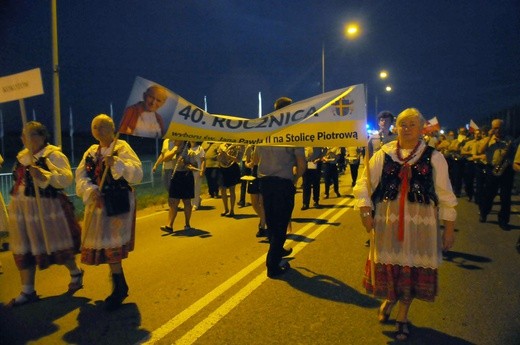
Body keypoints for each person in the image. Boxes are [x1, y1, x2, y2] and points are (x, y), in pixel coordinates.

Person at [353, 108, 457, 341]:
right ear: (396, 128)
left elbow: (446, 194)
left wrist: (448, 229)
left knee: (411, 268)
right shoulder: (384, 153)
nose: (407, 129)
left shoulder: (434, 157)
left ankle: (402, 315)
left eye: (412, 124)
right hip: (388, 219)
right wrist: (364, 210)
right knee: (393, 267)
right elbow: (365, 183)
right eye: (402, 124)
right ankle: (390, 300)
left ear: (421, 129)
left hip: (421, 223)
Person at [7, 121, 83, 307]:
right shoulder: (22, 157)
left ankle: (75, 272)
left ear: (41, 137)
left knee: (56, 245)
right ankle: (27, 290)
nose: (25, 139)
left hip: (47, 209)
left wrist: (43, 175)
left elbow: (66, 178)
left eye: (30, 134)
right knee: (24, 247)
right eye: (24, 135)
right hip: (22, 210)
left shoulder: (52, 155)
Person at [76, 114, 143, 311]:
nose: (97, 130)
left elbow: (137, 174)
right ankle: (119, 285)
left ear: (111, 128)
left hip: (117, 204)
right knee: (106, 247)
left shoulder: (121, 148)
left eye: (102, 126)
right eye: (94, 127)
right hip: (97, 205)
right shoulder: (91, 152)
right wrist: (90, 190)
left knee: (113, 246)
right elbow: (81, 175)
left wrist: (118, 165)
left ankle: (119, 287)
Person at [254, 96, 306, 278]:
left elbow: (254, 159)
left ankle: (277, 253)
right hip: (283, 183)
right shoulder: (293, 131)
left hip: (265, 184)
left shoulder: (264, 131)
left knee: (272, 222)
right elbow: (302, 164)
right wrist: (295, 178)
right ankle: (273, 266)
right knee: (281, 224)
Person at [477, 119, 516, 230]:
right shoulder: (489, 139)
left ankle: (503, 220)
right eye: (494, 127)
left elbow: (513, 154)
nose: (496, 130)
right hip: (492, 169)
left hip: (506, 170)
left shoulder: (509, 140)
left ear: (503, 127)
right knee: (489, 194)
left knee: (505, 197)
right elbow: (480, 150)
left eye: (498, 127)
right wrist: (489, 137)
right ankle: (484, 213)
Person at [159, 140, 198, 232]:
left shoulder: (190, 151)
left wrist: (186, 164)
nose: (175, 141)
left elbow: (195, 164)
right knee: (173, 201)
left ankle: (187, 223)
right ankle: (169, 225)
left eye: (177, 140)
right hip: (175, 175)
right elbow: (165, 159)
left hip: (186, 176)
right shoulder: (173, 149)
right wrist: (174, 151)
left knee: (187, 201)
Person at [244, 146, 267, 237]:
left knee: (262, 201)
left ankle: (262, 225)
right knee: (254, 203)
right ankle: (265, 219)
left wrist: (254, 162)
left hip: (263, 173)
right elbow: (246, 161)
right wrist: (248, 164)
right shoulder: (249, 147)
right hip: (253, 174)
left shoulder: (263, 146)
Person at [217, 143, 243, 217]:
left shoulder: (238, 146)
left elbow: (238, 160)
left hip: (232, 168)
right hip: (222, 168)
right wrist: (220, 155)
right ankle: (226, 209)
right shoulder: (222, 145)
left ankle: (232, 210)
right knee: (222, 189)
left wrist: (228, 156)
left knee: (232, 190)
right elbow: (218, 159)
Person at [188, 141, 206, 211]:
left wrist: (202, 170)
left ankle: (195, 204)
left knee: (196, 187)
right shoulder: (187, 148)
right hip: (189, 170)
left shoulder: (200, 148)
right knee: (190, 187)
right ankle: (197, 199)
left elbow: (203, 160)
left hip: (197, 170)